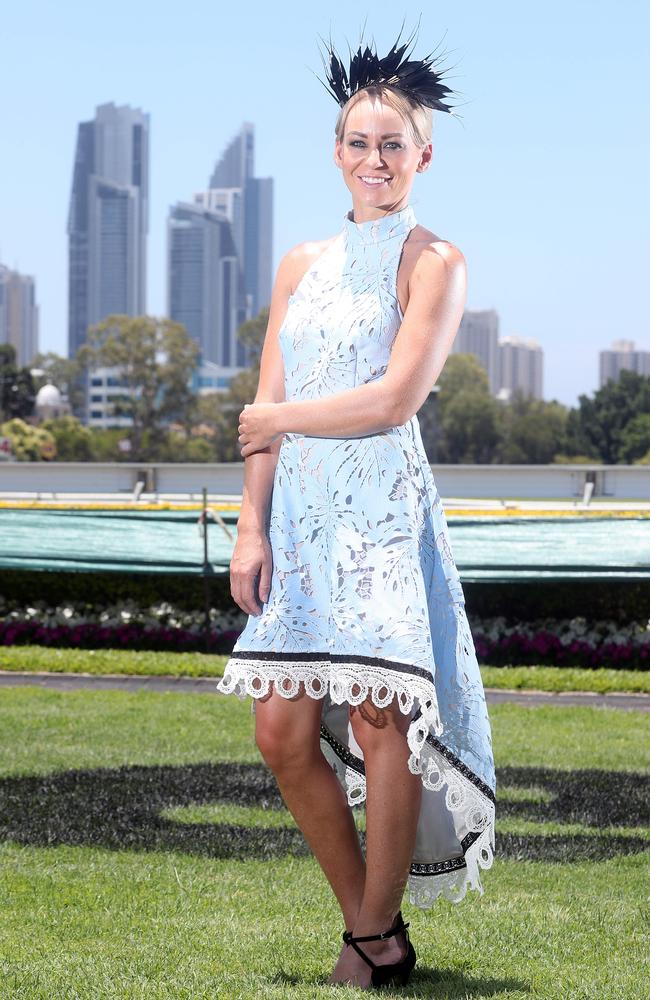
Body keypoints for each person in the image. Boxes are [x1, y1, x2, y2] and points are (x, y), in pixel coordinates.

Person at [217, 22, 496, 991]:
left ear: (422, 154)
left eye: (392, 143)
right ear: (335, 151)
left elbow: (390, 401)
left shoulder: (435, 261)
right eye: (357, 141)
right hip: (295, 518)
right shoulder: (300, 262)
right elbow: (262, 423)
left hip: (378, 512)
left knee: (382, 723)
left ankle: (371, 938)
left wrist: (277, 413)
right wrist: (251, 524)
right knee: (279, 731)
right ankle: (372, 928)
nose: (373, 158)